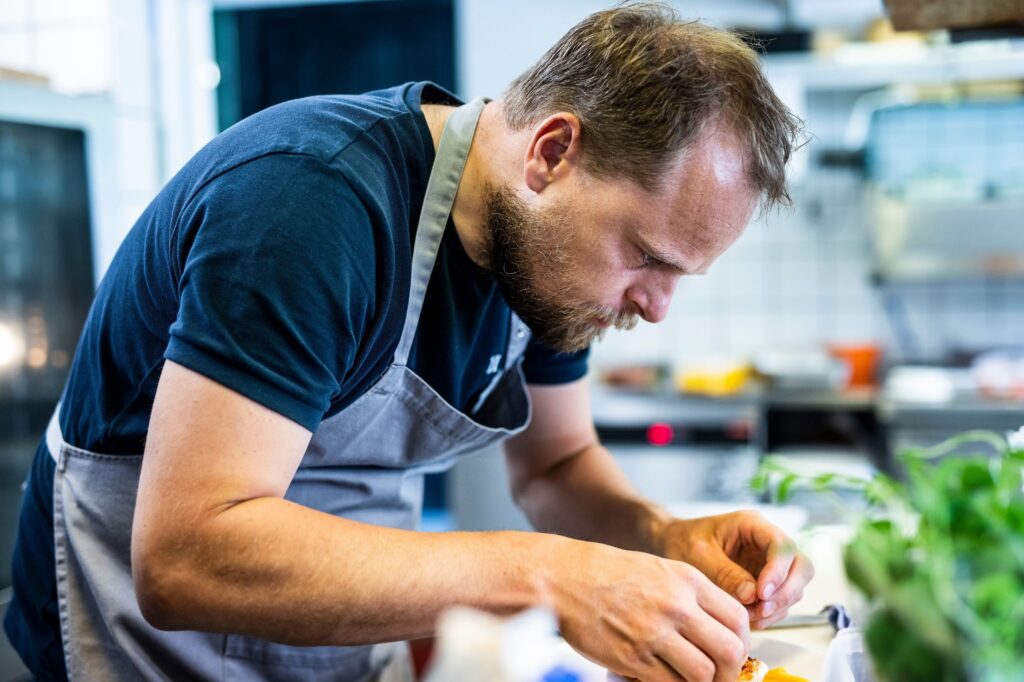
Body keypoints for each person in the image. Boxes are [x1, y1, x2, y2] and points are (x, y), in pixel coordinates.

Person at [5, 4, 812, 681]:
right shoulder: (310, 203)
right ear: (552, 154)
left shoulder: (542, 260)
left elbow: (557, 467)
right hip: (140, 652)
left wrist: (663, 536)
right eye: (645, 256)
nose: (656, 306)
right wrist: (551, 576)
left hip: (334, 654)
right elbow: (187, 557)